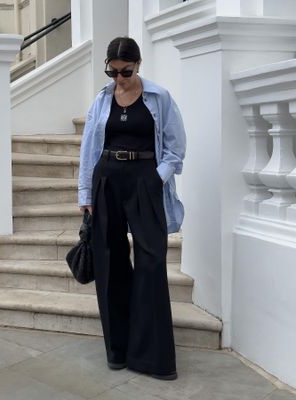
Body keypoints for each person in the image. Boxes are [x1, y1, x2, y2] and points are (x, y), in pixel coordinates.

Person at [78, 36, 186, 380]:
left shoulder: (159, 97)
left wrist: (156, 179)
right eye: (113, 71)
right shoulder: (102, 99)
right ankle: (118, 348)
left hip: (144, 181)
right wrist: (86, 194)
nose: (119, 78)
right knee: (110, 263)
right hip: (107, 179)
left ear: (138, 65)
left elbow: (175, 148)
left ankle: (152, 356)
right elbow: (88, 148)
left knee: (151, 263)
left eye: (125, 71)